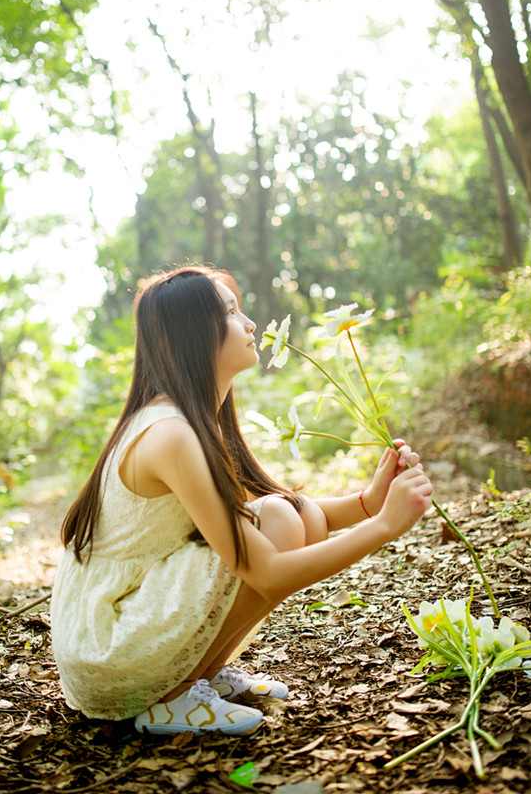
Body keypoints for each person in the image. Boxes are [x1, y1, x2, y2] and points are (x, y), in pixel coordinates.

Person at [51, 265, 432, 736]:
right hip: (109, 653)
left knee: (285, 514)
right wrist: (383, 528)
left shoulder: (194, 420)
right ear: (196, 335)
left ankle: (196, 677)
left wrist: (369, 503)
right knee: (279, 524)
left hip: (122, 630)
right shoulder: (170, 433)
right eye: (231, 312)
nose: (251, 324)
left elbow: (284, 506)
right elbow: (268, 576)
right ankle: (171, 696)